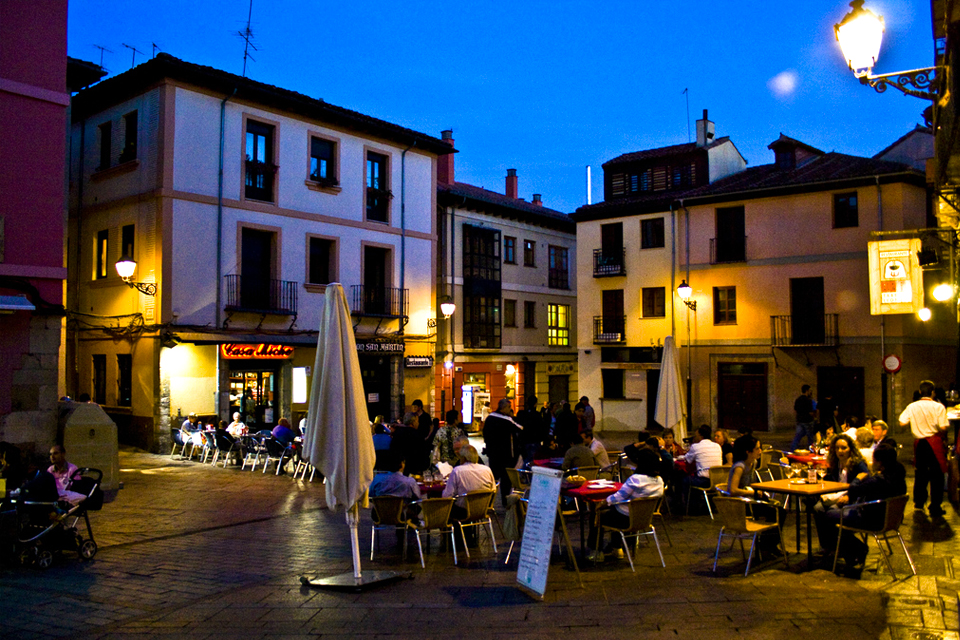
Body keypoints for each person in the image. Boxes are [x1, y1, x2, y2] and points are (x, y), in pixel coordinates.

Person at [815, 444, 906, 573]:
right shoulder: (898, 474)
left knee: (828, 514)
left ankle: (855, 549)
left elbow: (854, 490)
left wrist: (857, 479)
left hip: (871, 519)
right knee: (832, 513)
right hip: (891, 519)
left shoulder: (879, 480)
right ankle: (843, 550)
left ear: (880, 462)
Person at [586, 447, 663, 562]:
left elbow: (618, 497)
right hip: (644, 518)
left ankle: (596, 551)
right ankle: (617, 548)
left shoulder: (636, 479)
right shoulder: (659, 481)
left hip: (626, 519)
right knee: (616, 510)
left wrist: (602, 503)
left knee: (597, 515)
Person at [900, 380, 949, 518]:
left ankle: (919, 502)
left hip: (920, 443)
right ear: (933, 392)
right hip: (934, 442)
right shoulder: (939, 407)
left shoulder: (912, 406)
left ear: (920, 392)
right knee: (937, 475)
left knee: (920, 474)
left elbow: (902, 421)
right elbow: (943, 427)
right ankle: (935, 506)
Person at [482, 399, 522, 500]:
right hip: (506, 454)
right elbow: (520, 428)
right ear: (505, 407)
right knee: (505, 479)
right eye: (509, 407)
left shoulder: (489, 418)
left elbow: (485, 434)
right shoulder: (507, 420)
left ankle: (489, 500)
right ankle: (505, 500)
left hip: (493, 453)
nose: (510, 409)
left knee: (493, 478)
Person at [442, 444, 495, 520]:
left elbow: (447, 495)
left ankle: (455, 531)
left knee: (446, 508)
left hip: (463, 510)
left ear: (463, 457)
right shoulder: (487, 470)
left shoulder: (457, 471)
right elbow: (493, 489)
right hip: (483, 508)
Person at [682, 424, 723, 510]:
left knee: (685, 480)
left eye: (696, 435)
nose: (695, 437)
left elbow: (688, 460)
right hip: (717, 480)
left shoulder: (696, 446)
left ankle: (689, 507)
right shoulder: (717, 446)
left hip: (703, 481)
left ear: (701, 436)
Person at [515, 396, 545, 464]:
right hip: (535, 440)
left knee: (525, 459)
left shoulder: (522, 414)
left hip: (524, 440)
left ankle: (524, 472)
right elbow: (541, 428)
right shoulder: (537, 415)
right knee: (533, 460)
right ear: (535, 404)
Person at [791, 384, 817, 450]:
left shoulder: (798, 400)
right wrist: (815, 418)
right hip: (808, 421)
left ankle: (793, 449)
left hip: (800, 420)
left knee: (797, 437)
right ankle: (811, 451)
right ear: (807, 391)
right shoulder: (808, 400)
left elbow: (795, 410)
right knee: (810, 438)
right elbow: (811, 412)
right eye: (809, 390)